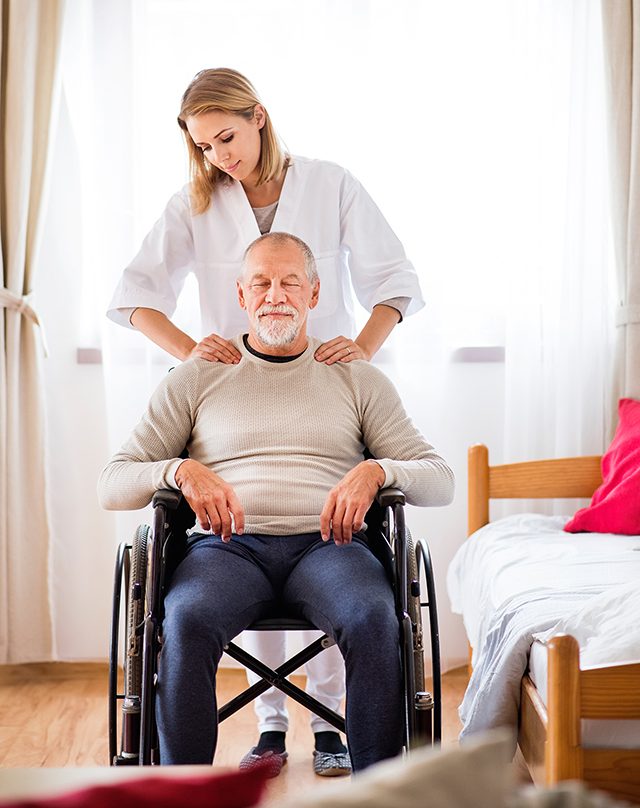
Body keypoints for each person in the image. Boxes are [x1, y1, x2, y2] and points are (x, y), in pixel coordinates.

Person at [106, 67, 425, 775]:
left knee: (338, 555)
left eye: (228, 137)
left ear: (259, 117)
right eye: (205, 145)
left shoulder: (330, 182)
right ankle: (272, 727)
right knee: (234, 544)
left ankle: (336, 730)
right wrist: (195, 355)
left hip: (327, 395)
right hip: (228, 402)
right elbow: (132, 296)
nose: (221, 155)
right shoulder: (195, 202)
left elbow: (396, 282)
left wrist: (357, 356)